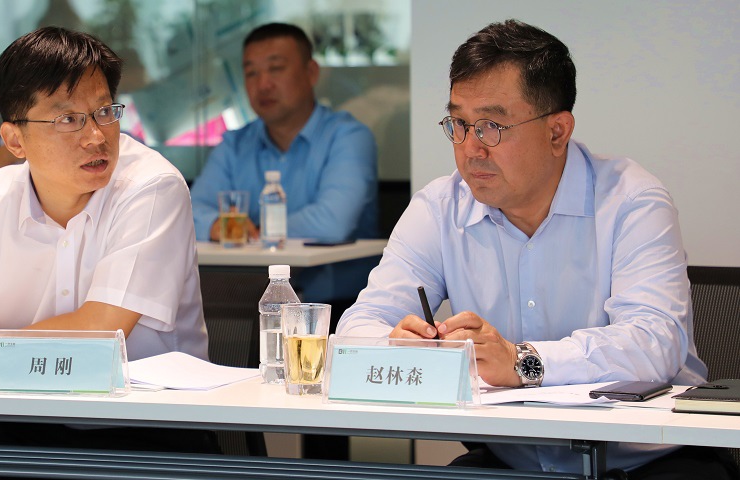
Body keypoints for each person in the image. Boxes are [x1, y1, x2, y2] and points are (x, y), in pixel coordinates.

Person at [337, 19, 738, 479]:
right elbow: (357, 327)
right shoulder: (439, 207)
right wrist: (397, 345)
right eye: (459, 124)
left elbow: (654, 343)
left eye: (491, 126)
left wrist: (522, 361)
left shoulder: (631, 201)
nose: (470, 148)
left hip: (649, 461)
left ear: (557, 132)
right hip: (515, 459)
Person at [0, 26, 217, 455]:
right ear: (14, 140)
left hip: (150, 430)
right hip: (26, 428)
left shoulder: (151, 187)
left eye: (105, 111)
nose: (96, 136)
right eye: (68, 119)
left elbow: (100, 333)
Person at [190, 22, 378, 246]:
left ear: (311, 73)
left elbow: (333, 222)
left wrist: (256, 233)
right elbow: (189, 211)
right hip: (253, 270)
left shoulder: (348, 137)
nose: (263, 85)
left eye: (276, 68)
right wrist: (215, 224)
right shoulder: (235, 145)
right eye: (251, 73)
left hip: (335, 271)